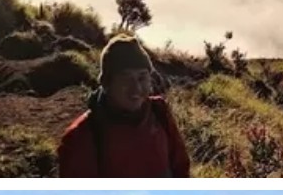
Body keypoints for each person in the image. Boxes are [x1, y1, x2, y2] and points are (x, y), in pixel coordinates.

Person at [57, 34, 190, 177]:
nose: (136, 88)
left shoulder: (159, 112)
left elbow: (181, 169)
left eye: (142, 78)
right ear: (107, 83)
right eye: (126, 79)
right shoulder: (80, 137)